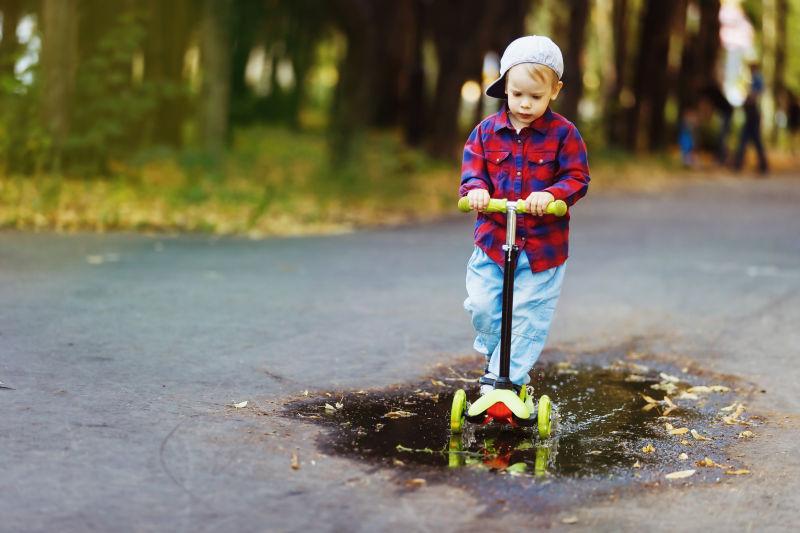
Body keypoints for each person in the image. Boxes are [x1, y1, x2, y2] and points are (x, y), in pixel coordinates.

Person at [458, 36, 590, 395]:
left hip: (541, 250)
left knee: (528, 317)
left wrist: (550, 194)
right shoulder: (485, 133)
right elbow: (473, 173)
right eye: (517, 95)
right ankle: (495, 358)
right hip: (493, 240)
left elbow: (577, 178)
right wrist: (477, 191)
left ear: (555, 91)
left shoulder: (565, 134)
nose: (525, 104)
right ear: (505, 88)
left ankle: (505, 384)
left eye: (536, 96)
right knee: (484, 306)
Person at [734, 62, 769, 174]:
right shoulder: (754, 78)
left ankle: (762, 165)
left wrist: (750, 96)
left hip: (753, 113)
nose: (749, 70)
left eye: (751, 67)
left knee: (754, 140)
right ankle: (739, 164)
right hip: (750, 113)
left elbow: (760, 91)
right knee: (745, 139)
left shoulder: (757, 77)